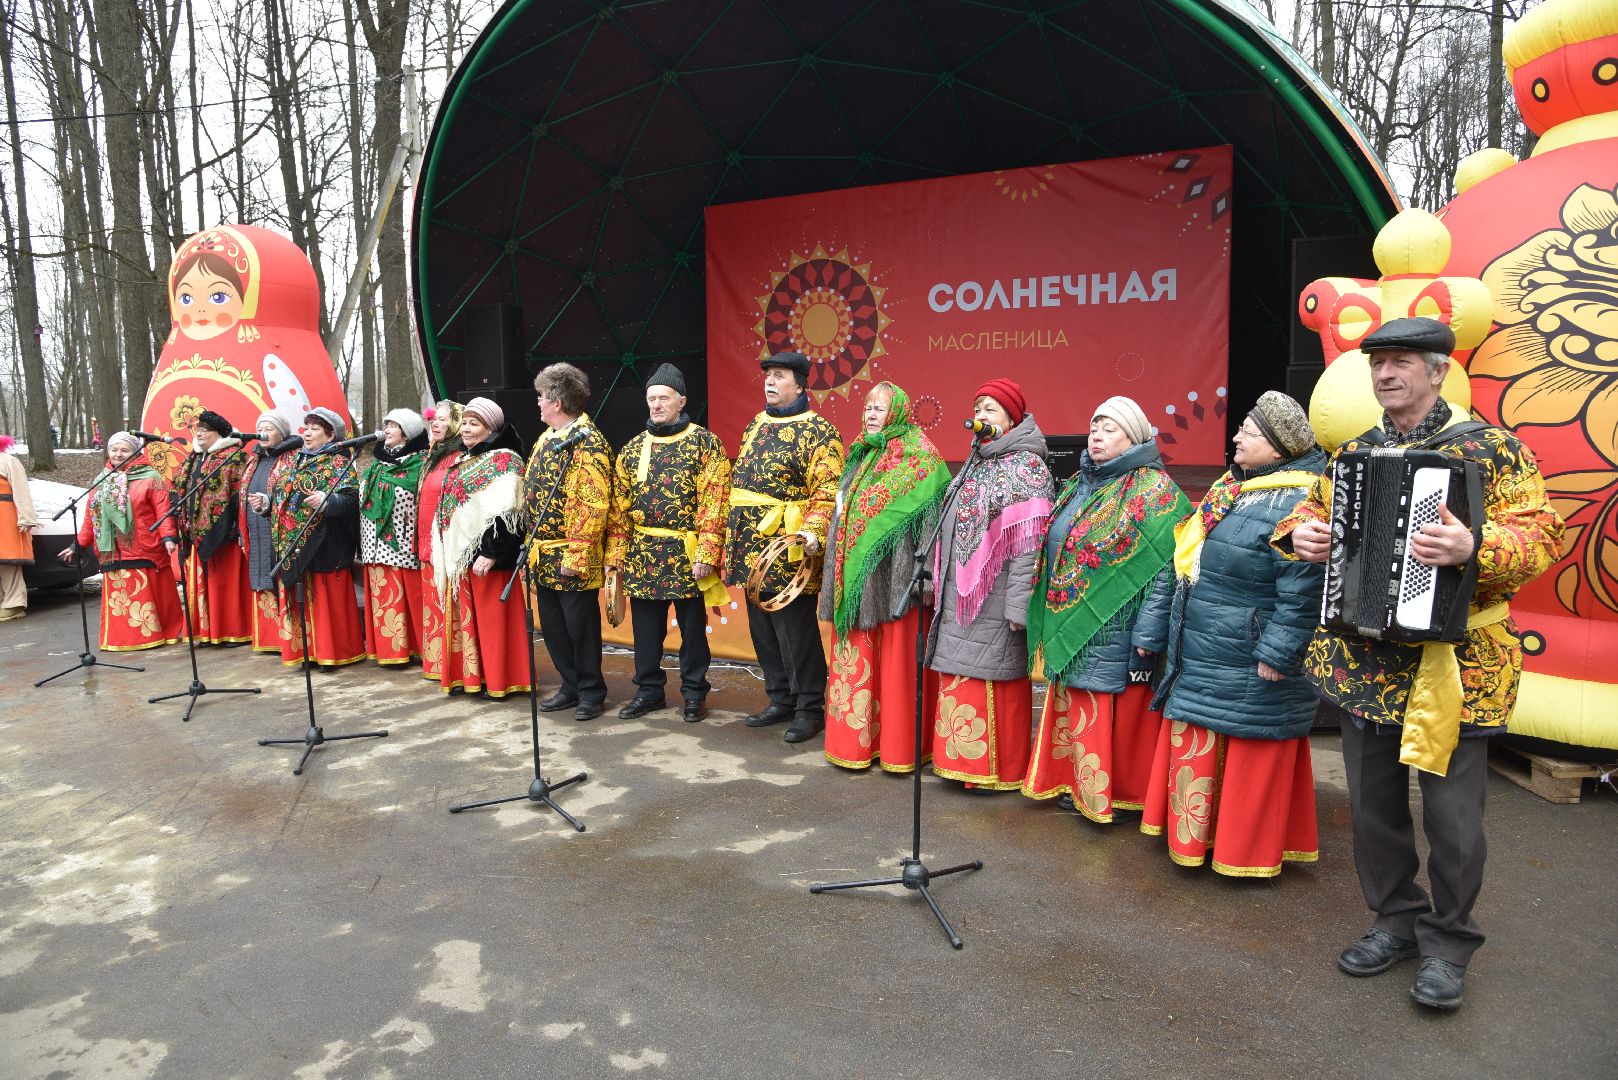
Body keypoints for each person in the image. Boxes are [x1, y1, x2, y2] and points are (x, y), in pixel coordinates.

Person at [1273, 317, 1564, 1012]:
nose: (1384, 374)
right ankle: (1395, 919)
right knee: (1374, 812)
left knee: (1454, 822)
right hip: (1366, 664)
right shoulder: (1353, 452)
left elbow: (1542, 532)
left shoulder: (1493, 449)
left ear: (1438, 372)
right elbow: (1306, 516)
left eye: (1401, 362)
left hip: (1457, 668)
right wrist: (1301, 535)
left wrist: (1476, 548)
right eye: (1377, 362)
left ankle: (1448, 943)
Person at [1134, 391, 1326, 875]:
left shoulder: (1301, 500)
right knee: (1205, 737)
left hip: (1247, 653)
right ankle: (1198, 840)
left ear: (1280, 448)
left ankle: (1241, 850)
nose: (1237, 437)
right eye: (1240, 427)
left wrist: (1280, 651)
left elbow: (1304, 586)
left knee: (1248, 748)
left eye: (1250, 431)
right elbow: (1183, 565)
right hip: (1206, 648)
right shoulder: (1233, 489)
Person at [1021, 395, 1189, 816]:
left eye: (1109, 428)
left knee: (1105, 710)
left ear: (1132, 437)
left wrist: (1149, 636)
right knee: (1076, 704)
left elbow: (1166, 570)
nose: (1096, 434)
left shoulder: (1155, 490)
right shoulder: (1082, 481)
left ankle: (1108, 795)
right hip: (1073, 617)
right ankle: (1073, 785)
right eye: (1094, 426)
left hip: (1121, 629)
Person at [926, 379, 1054, 790]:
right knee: (962, 673)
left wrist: (1019, 608)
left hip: (996, 598)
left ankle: (995, 771)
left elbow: (1030, 546)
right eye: (977, 409)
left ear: (1012, 419)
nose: (980, 417)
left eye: (991, 410)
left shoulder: (1027, 467)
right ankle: (958, 764)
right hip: (961, 595)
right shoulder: (976, 463)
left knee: (992, 675)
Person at [819, 381, 947, 771]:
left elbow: (932, 522)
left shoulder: (921, 455)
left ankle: (896, 749)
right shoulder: (859, 453)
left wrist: (922, 580)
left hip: (897, 581)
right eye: (869, 407)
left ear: (899, 412)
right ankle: (856, 745)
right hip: (858, 582)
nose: (872, 413)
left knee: (895, 663)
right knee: (859, 654)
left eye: (880, 407)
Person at [725, 351, 845, 745]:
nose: (770, 382)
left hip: (789, 551)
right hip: (751, 552)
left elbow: (828, 492)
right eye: (767, 376)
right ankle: (779, 699)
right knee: (762, 629)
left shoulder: (819, 432)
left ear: (799, 384)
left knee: (795, 632)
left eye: (778, 376)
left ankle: (809, 708)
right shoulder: (756, 425)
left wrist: (812, 532)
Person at [605, 364, 731, 722]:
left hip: (687, 554)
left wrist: (707, 552)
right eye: (651, 399)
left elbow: (715, 502)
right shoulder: (631, 449)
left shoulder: (705, 443)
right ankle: (648, 692)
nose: (656, 405)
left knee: (693, 632)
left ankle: (694, 694)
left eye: (664, 398)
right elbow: (618, 509)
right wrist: (615, 557)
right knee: (646, 632)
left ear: (682, 402)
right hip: (643, 554)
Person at [523, 363, 613, 721]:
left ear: (558, 402)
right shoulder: (547, 437)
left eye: (542, 398)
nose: (539, 404)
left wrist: (576, 555)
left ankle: (591, 691)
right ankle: (569, 686)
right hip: (543, 554)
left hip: (574, 553)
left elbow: (592, 504)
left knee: (581, 629)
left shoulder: (588, 442)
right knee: (555, 628)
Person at [249, 407, 366, 668]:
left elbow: (351, 501)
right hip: (295, 546)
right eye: (306, 427)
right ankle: (308, 651)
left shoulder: (339, 462)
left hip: (326, 545)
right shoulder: (295, 460)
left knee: (325, 602)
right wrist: (267, 504)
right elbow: (285, 497)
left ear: (330, 434)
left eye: (315, 429)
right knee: (304, 598)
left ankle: (333, 653)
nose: (307, 433)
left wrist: (327, 502)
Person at [429, 397, 530, 697]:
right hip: (461, 555)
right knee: (469, 620)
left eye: (475, 424)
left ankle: (499, 680)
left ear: (491, 428)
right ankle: (472, 678)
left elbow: (510, 512)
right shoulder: (463, 459)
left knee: (492, 622)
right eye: (466, 423)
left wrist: (490, 551)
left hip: (490, 558)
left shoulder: (505, 460)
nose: (467, 430)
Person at [60, 432, 184, 650]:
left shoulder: (150, 478)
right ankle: (121, 640)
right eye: (114, 449)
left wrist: (168, 537)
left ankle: (154, 636)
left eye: (124, 450)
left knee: (147, 596)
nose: (118, 454)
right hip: (111, 550)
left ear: (135, 452)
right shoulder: (100, 481)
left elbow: (163, 510)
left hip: (143, 547)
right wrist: (77, 545)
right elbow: (91, 519)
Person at [359, 408, 429, 666]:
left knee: (409, 599)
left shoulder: (419, 463)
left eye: (393, 426)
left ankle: (415, 649)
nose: (386, 430)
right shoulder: (376, 464)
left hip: (403, 543)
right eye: (386, 424)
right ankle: (390, 652)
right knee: (382, 598)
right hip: (373, 545)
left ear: (407, 433)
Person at [178, 409, 253, 644]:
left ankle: (231, 631)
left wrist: (223, 526)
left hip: (225, 535)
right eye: (197, 429)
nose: (199, 433)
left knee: (225, 585)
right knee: (204, 585)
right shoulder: (194, 457)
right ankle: (207, 632)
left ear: (218, 434)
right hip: (195, 533)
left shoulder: (234, 457)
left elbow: (238, 496)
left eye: (205, 430)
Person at [241, 410, 299, 653]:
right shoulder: (254, 460)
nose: (263, 433)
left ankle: (289, 640)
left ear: (282, 432)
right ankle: (269, 639)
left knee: (279, 581)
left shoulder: (292, 458)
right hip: (256, 531)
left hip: (279, 532)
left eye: (270, 428)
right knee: (261, 579)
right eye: (261, 427)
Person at [418, 401, 464, 685]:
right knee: (432, 603)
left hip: (446, 543)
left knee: (448, 603)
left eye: (443, 419)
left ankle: (454, 667)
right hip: (427, 541)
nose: (435, 423)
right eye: (433, 418)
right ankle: (437, 663)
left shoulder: (458, 456)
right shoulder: (433, 455)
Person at [0, 434, 39, 621]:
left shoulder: (8, 461)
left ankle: (14, 604)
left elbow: (21, 490)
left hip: (5, 517)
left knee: (9, 562)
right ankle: (4, 600)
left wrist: (26, 518)